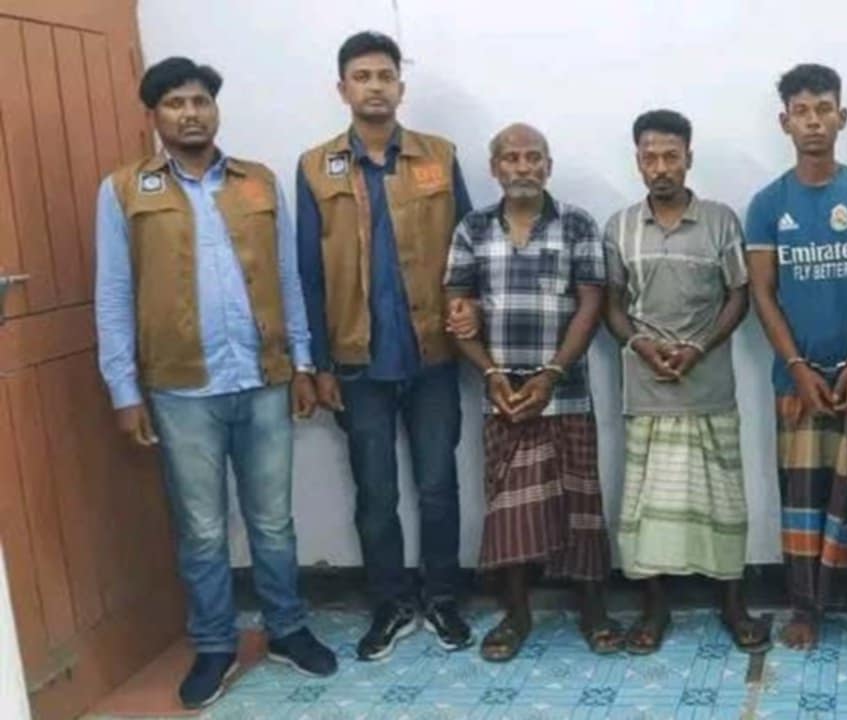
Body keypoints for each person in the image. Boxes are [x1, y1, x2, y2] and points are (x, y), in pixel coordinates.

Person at [95, 57, 336, 709]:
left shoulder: (257, 182)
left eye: (200, 100)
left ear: (215, 108)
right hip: (180, 389)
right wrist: (124, 391)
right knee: (202, 528)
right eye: (175, 103)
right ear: (154, 116)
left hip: (262, 378)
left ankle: (287, 629)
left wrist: (303, 363)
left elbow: (287, 278)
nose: (190, 113)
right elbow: (113, 294)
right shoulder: (124, 190)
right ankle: (214, 645)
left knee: (273, 521)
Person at [295, 31, 472, 660]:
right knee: (375, 495)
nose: (375, 86)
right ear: (342, 88)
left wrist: (470, 324)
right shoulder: (315, 167)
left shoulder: (439, 156)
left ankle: (444, 598)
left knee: (438, 486)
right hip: (357, 361)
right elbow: (308, 273)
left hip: (432, 355)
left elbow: (467, 250)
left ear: (401, 86)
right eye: (362, 76)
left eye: (384, 75)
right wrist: (315, 364)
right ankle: (390, 604)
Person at [444, 123, 623, 662]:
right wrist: (491, 374)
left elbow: (591, 305)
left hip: (564, 393)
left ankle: (593, 609)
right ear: (495, 168)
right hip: (502, 395)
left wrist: (551, 374)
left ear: (549, 165)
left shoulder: (577, 224)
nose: (523, 167)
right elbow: (457, 310)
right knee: (508, 510)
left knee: (580, 504)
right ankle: (516, 614)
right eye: (511, 158)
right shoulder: (473, 228)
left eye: (533, 157)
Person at [744, 64, 847, 653]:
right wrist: (798, 367)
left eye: (824, 109)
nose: (814, 121)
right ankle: (805, 608)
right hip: (798, 382)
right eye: (802, 112)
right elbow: (763, 293)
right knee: (803, 500)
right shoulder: (768, 203)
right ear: (784, 122)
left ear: (842, 116)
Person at [601, 109, 769, 655]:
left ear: (689, 158)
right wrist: (640, 344)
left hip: (709, 388)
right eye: (650, 157)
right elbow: (612, 305)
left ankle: (734, 606)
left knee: (724, 503)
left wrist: (699, 347)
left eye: (671, 156)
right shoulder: (620, 227)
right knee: (645, 508)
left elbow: (739, 295)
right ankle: (654, 609)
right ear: (638, 162)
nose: (660, 167)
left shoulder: (720, 221)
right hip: (646, 390)